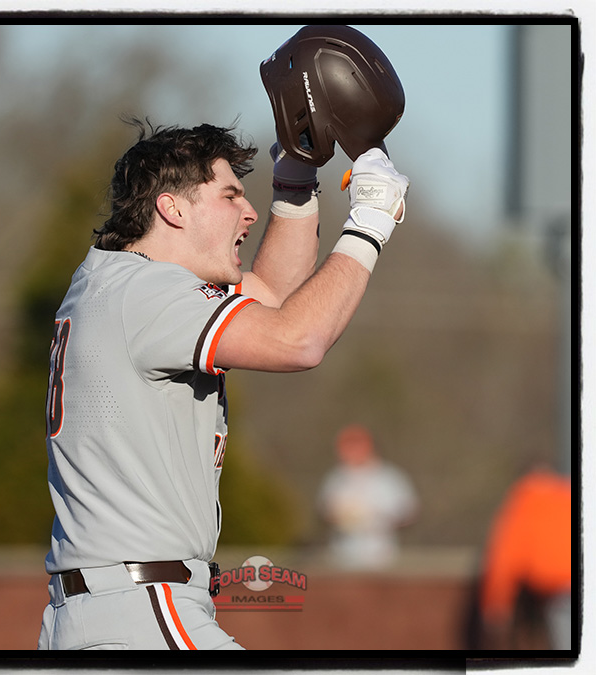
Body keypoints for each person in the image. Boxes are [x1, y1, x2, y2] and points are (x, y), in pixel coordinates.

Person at [37, 117, 409, 650]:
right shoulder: (147, 293)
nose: (249, 211)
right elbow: (298, 339)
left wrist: (297, 182)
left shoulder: (114, 281)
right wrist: (370, 222)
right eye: (231, 195)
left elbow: (277, 297)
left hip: (103, 608)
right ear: (173, 208)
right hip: (142, 609)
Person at [477, 465, 572, 650]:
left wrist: (496, 606)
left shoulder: (524, 503)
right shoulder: (566, 494)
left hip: (561, 592)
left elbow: (505, 560)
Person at [318, 425, 418, 570]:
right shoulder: (336, 478)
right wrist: (340, 518)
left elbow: (409, 514)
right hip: (342, 555)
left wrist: (377, 520)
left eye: (355, 446)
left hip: (381, 556)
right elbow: (323, 511)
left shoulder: (389, 478)